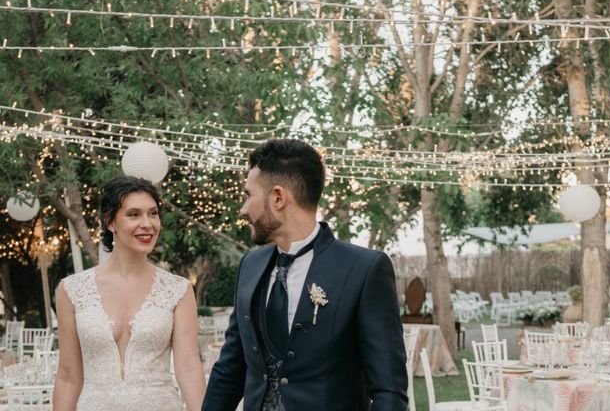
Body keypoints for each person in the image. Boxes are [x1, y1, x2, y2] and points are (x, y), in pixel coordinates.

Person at [202, 138, 407, 411]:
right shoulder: (250, 266)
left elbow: (389, 391)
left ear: (278, 197)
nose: (244, 209)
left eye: (249, 195)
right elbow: (229, 371)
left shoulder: (364, 269)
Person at [53, 175, 205, 411]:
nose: (147, 223)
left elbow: (188, 367)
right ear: (110, 221)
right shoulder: (71, 290)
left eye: (153, 213)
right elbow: (68, 376)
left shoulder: (178, 290)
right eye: (134, 214)